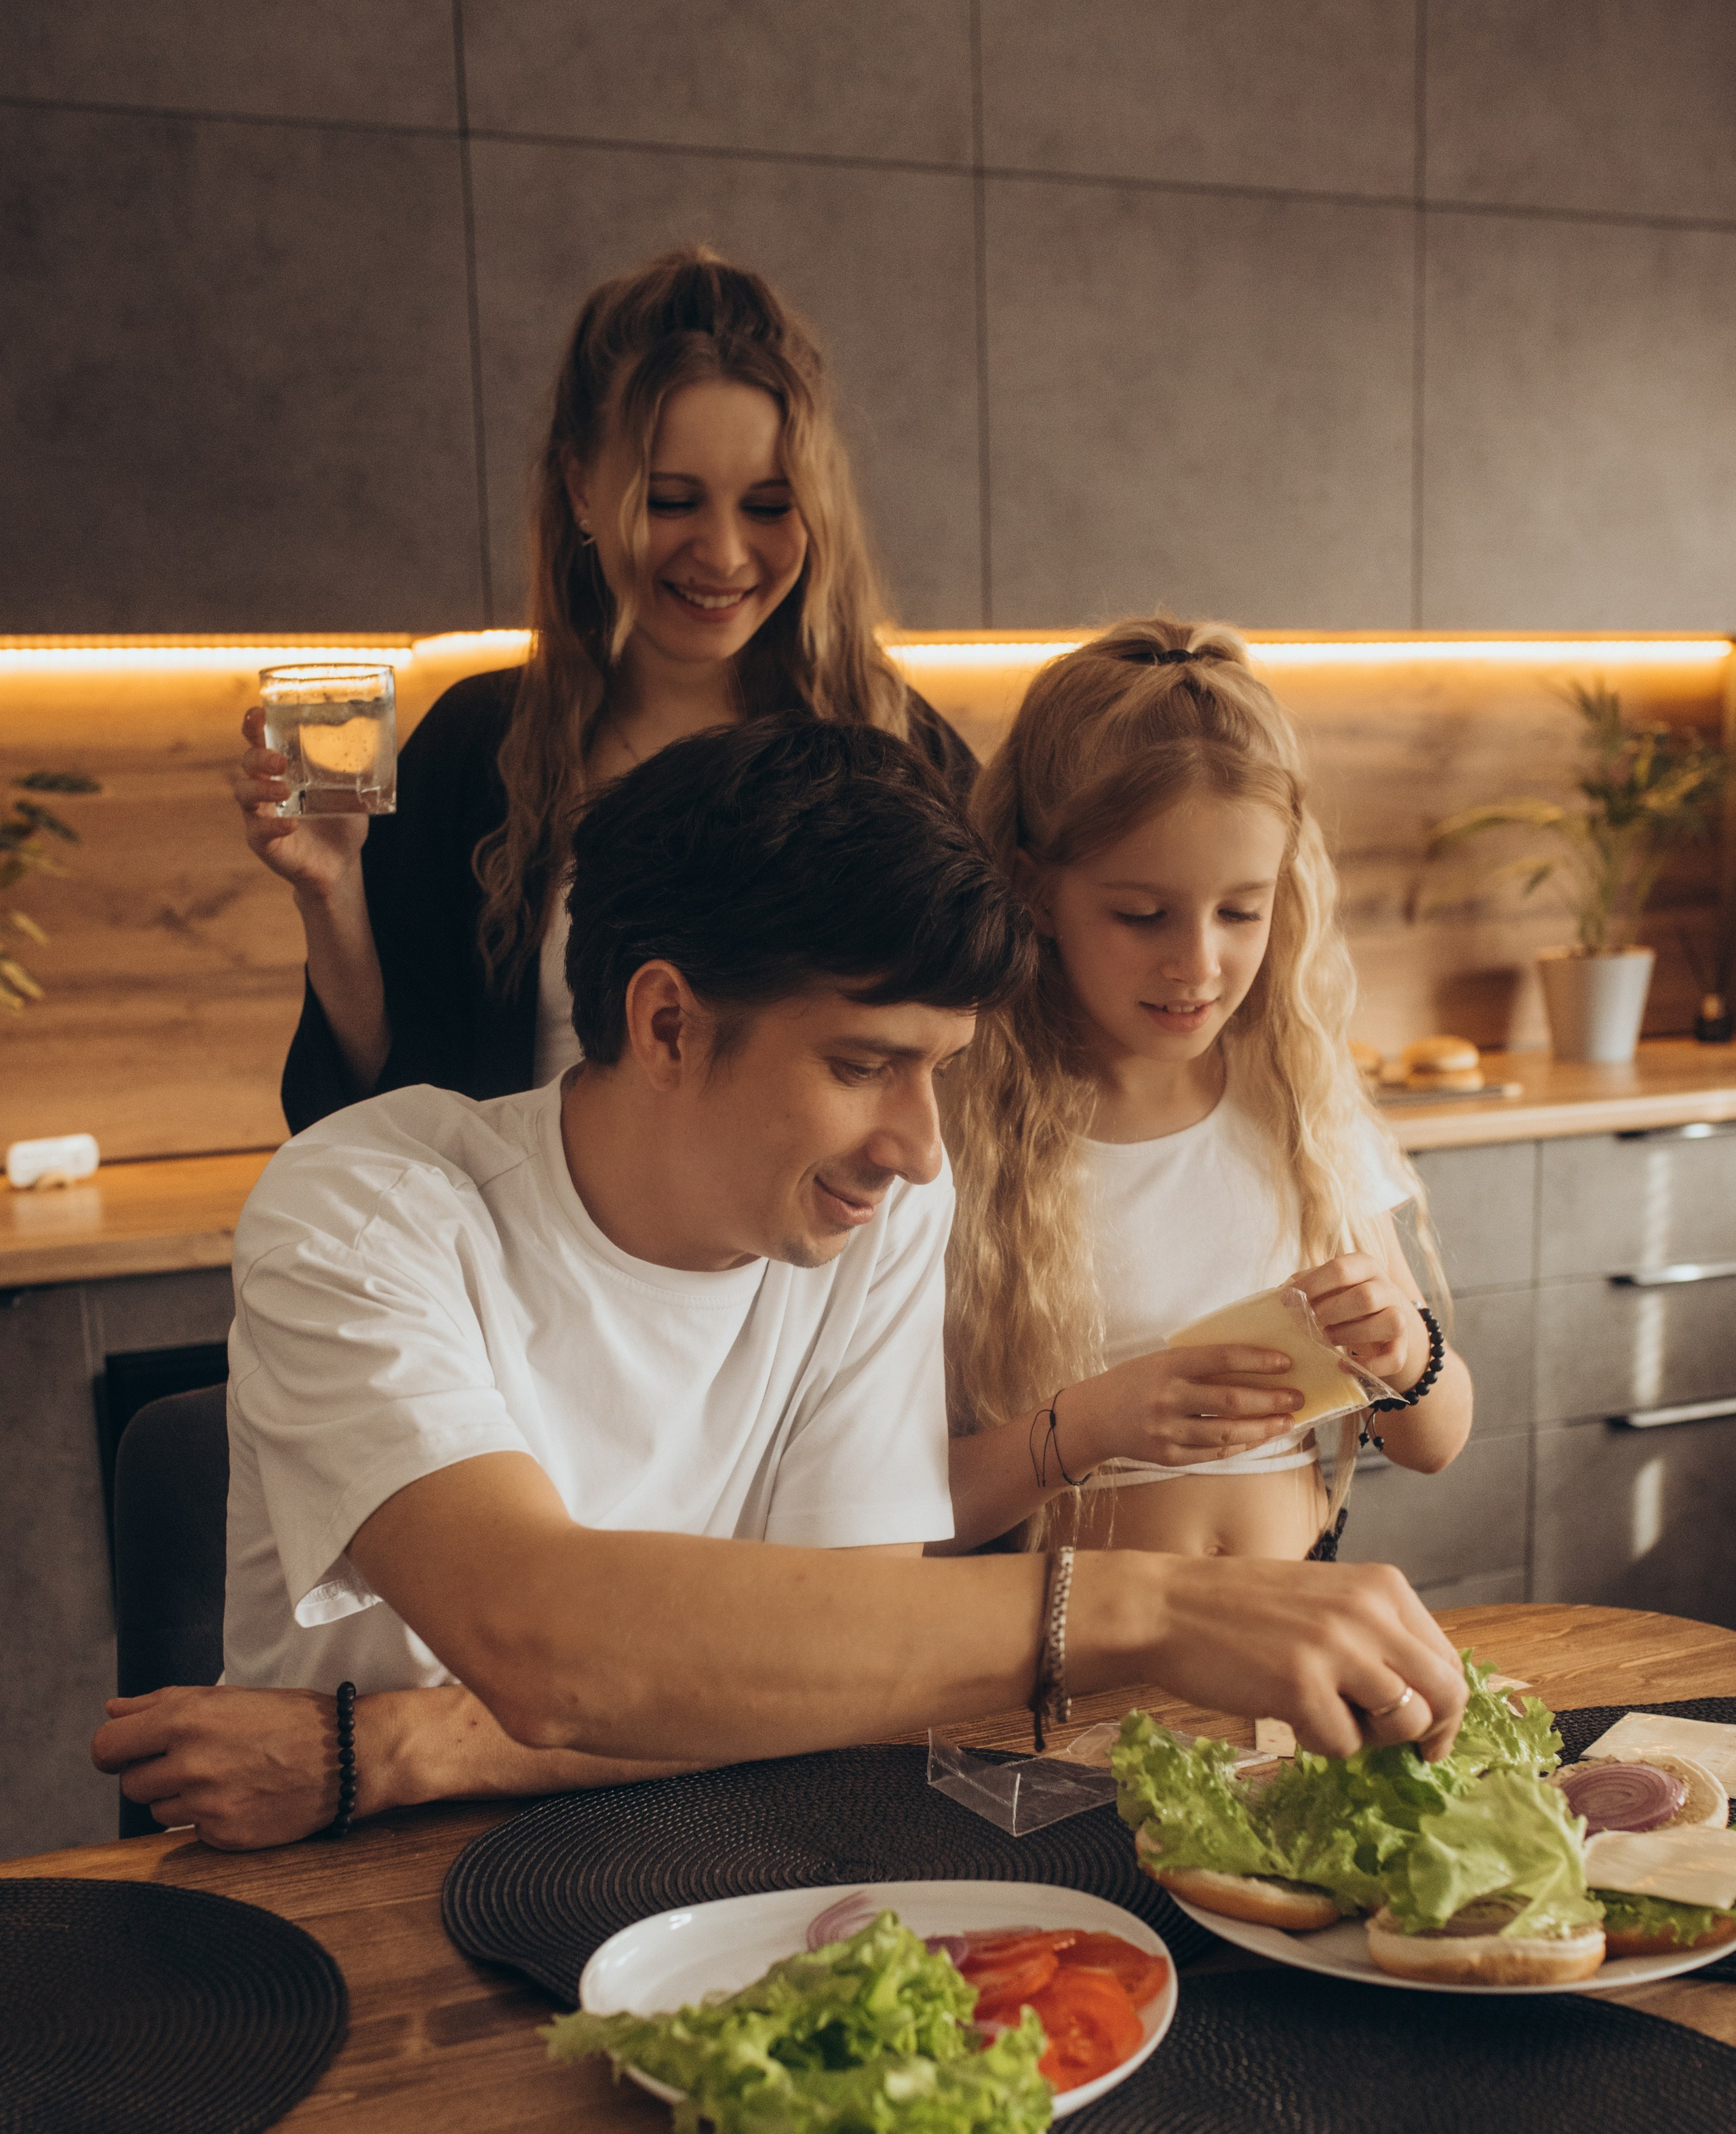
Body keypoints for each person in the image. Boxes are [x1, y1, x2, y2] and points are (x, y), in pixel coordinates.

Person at [96, 716, 1467, 1851]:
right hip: (364, 1885)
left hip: (667, 1835)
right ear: (667, 1022)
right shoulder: (364, 1205)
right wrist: (1161, 1612)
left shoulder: (875, 1216)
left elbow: (843, 1675)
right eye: (864, 1065)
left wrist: (394, 1746)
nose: (921, 1147)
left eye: (936, 1070)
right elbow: (546, 1636)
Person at [237, 245, 977, 1134]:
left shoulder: (904, 756)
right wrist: (331, 890)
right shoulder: (478, 748)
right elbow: (377, 1113)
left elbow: (985, 1072)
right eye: (670, 500)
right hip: (525, 1265)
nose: (725, 554)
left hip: (821, 1269)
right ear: (583, 487)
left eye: (770, 506)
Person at [941, 615, 1473, 1558]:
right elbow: (902, 1519)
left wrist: (1407, 1352)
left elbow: (1433, 1442)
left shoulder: (1298, 1097)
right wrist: (1089, 1426)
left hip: (1295, 1628)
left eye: (1242, 910)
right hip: (1073, 1675)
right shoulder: (959, 1132)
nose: (1199, 962)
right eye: (1143, 915)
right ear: (1033, 890)